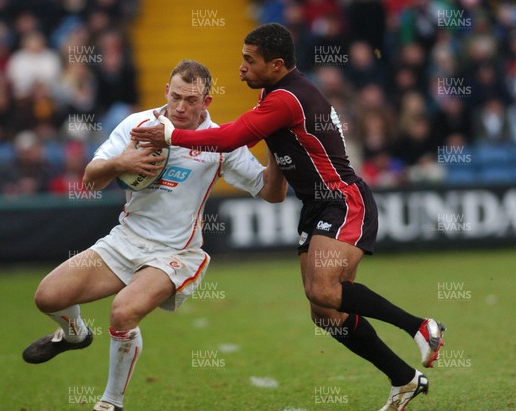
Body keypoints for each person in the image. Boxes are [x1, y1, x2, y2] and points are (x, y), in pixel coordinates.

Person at [131, 23, 445, 411]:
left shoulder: (288, 98)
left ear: (276, 64)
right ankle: (405, 379)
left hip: (342, 201)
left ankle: (419, 326)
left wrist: (169, 136)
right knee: (325, 312)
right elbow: (257, 146)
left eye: (250, 60)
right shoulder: (273, 93)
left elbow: (230, 139)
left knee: (324, 290)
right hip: (314, 207)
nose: (241, 67)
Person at [21, 59, 286, 411]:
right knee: (47, 297)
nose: (180, 106)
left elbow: (272, 192)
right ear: (166, 91)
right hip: (124, 240)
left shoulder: (221, 143)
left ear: (207, 102)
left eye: (191, 100)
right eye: (175, 96)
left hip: (174, 253)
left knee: (123, 312)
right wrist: (122, 164)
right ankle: (75, 334)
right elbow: (90, 179)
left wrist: (279, 150)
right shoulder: (138, 124)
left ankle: (111, 402)